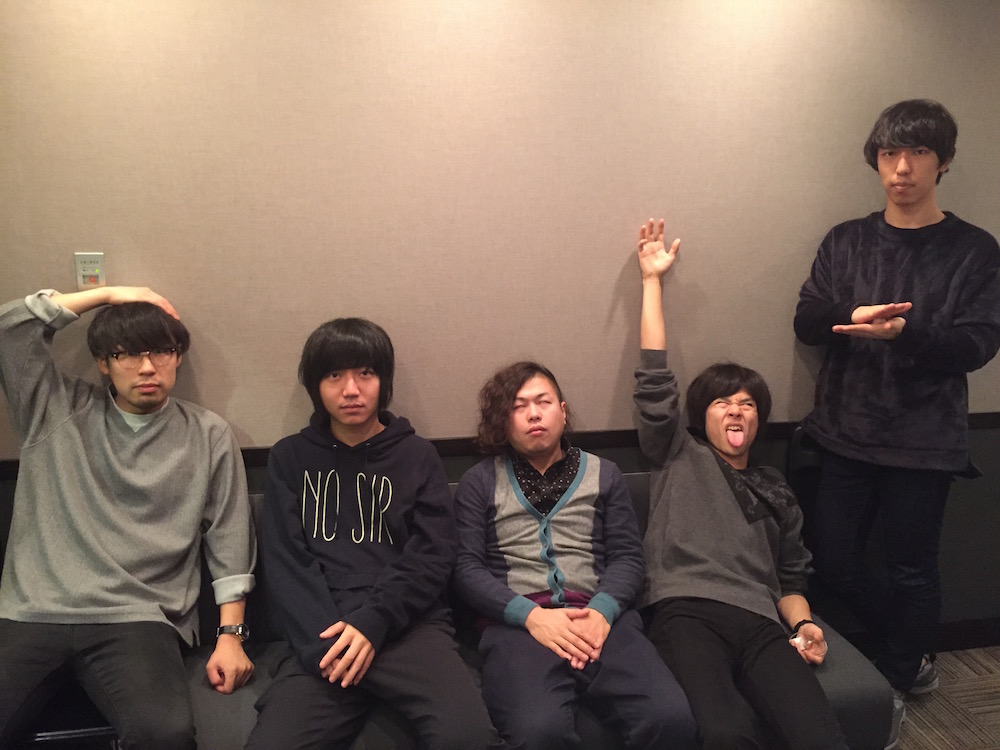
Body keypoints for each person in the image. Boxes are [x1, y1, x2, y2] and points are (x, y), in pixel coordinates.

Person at [794, 100, 1000, 704]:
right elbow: (807, 319)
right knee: (832, 562)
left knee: (912, 569)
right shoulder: (847, 241)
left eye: (918, 152)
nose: (902, 168)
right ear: (876, 161)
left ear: (943, 161)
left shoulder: (975, 250)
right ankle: (908, 649)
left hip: (925, 442)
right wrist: (852, 315)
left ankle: (901, 674)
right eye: (889, 154)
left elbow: (978, 344)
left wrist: (906, 333)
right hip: (842, 432)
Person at [0, 286, 256, 750]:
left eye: (161, 352)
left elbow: (230, 537)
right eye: (127, 354)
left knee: (166, 735)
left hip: (139, 618)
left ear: (178, 357)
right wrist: (109, 294)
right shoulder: (53, 409)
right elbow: (9, 331)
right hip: (34, 611)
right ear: (103, 363)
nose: (147, 367)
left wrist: (230, 637)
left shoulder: (207, 434)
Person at [634, 219, 848, 750]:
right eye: (722, 402)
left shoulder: (775, 487)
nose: (735, 410)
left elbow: (791, 577)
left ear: (758, 419)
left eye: (747, 403)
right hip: (684, 608)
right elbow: (654, 377)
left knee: (819, 734)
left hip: (760, 619)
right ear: (701, 416)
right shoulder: (679, 452)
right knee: (725, 731)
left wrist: (803, 625)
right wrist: (652, 282)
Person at [245, 317, 501, 750]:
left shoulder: (417, 455)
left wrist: (374, 622)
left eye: (365, 373)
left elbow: (433, 554)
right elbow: (286, 561)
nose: (351, 390)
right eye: (334, 375)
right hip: (323, 632)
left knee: (469, 738)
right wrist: (328, 645)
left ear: (384, 381)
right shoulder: (290, 458)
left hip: (408, 626)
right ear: (316, 385)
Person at [453, 360, 696, 750]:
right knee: (538, 731)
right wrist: (530, 616)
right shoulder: (478, 482)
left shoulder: (605, 473)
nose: (534, 414)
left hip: (601, 621)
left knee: (670, 718)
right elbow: (466, 569)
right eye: (518, 406)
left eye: (543, 402)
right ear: (503, 422)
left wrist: (601, 612)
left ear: (562, 412)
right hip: (518, 627)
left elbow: (627, 558)